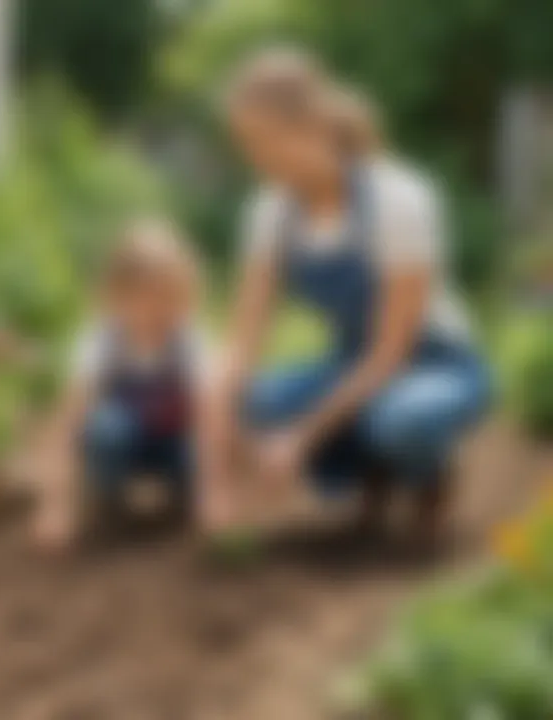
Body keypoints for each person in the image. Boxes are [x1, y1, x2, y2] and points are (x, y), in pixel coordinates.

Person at [201, 48, 492, 548]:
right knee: (258, 401)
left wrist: (300, 438)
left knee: (401, 421)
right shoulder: (270, 212)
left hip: (435, 365)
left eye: (261, 142)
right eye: (245, 146)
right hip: (353, 363)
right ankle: (368, 477)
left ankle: (431, 478)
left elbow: (389, 355)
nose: (254, 160)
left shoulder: (399, 199)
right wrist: (218, 477)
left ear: (310, 127)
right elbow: (242, 343)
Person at [31, 219, 208, 550]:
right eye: (146, 298)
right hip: (122, 443)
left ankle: (184, 498)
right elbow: (68, 420)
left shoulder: (187, 340)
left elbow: (210, 414)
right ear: (116, 297)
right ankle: (107, 502)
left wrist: (217, 492)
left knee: (199, 450)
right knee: (105, 429)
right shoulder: (101, 342)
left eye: (170, 298)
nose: (158, 310)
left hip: (174, 444)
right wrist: (54, 505)